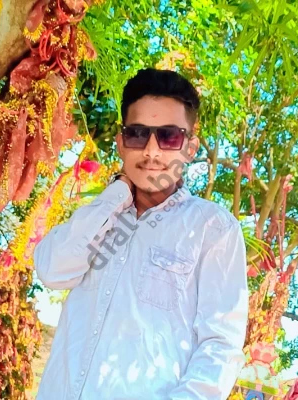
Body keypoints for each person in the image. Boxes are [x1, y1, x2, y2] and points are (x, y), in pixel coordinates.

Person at [34, 68, 249, 400]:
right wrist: (117, 194)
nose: (151, 151)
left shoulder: (213, 229)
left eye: (169, 137)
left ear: (190, 148)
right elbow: (52, 270)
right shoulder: (98, 217)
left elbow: (220, 346)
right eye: (137, 134)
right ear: (121, 143)